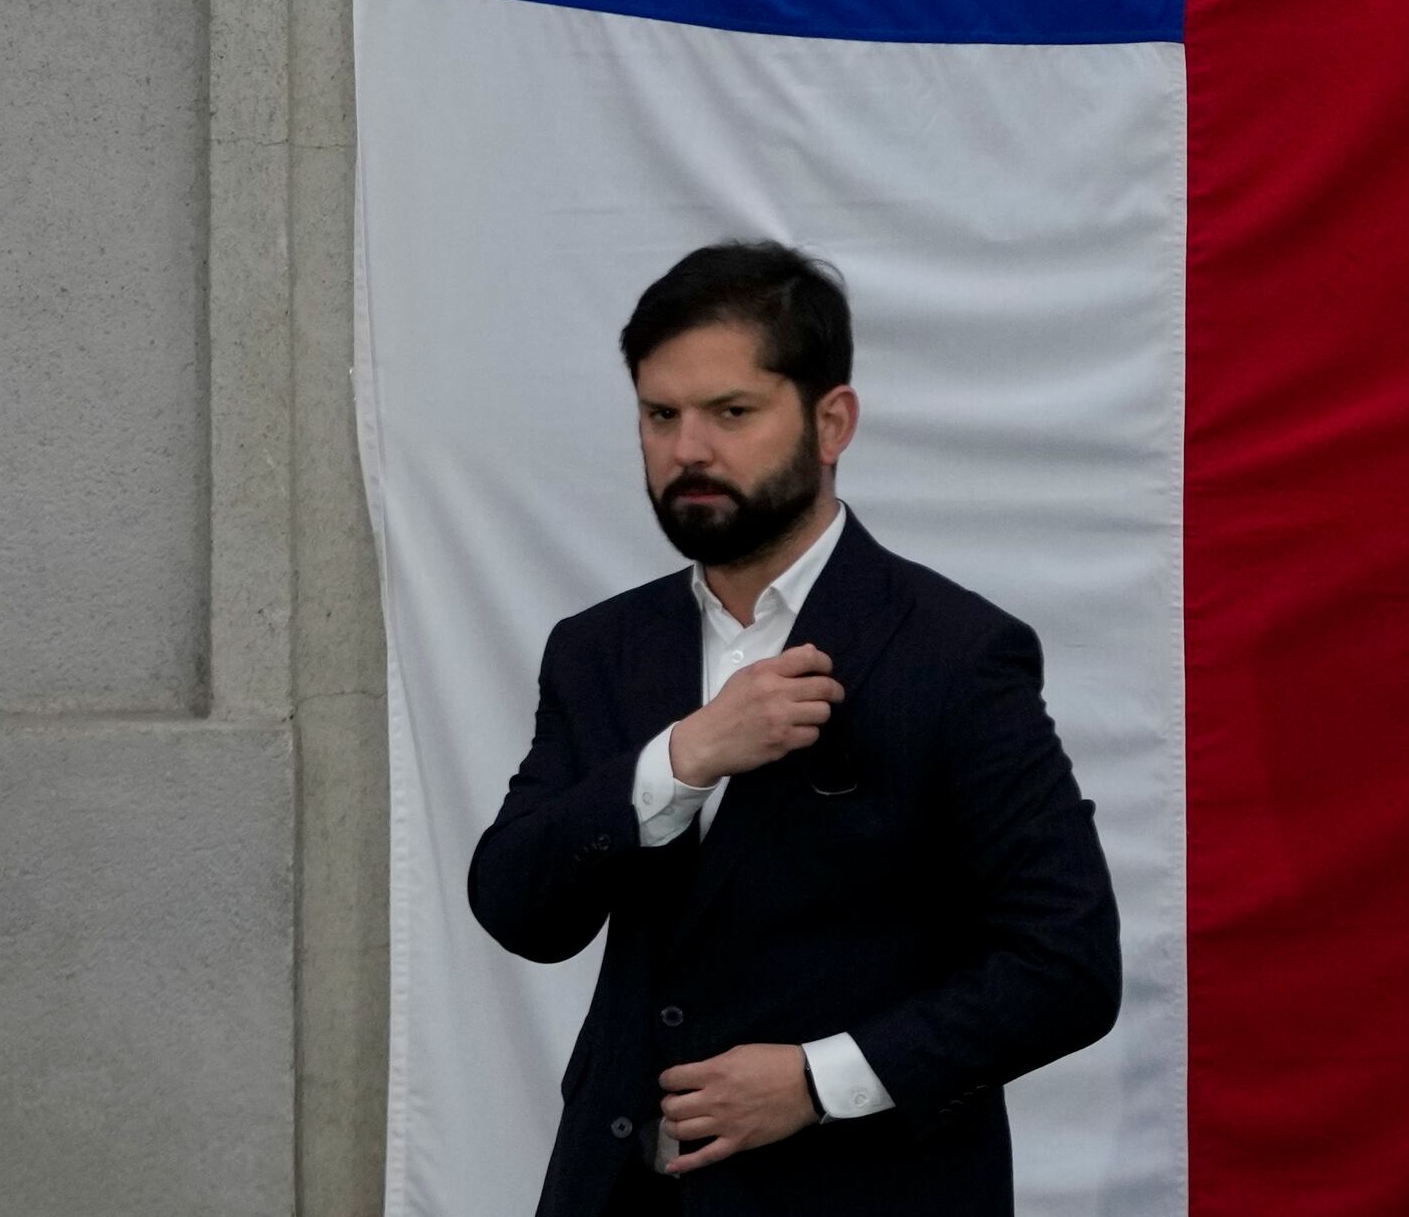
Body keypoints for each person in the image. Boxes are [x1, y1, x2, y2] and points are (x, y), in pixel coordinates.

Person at [470, 241, 1119, 1213]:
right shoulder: (597, 648)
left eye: (730, 412)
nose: (687, 448)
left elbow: (1065, 967)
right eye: (660, 414)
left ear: (831, 421)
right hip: (617, 1193)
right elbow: (517, 903)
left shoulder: (957, 653)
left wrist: (821, 1080)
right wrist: (677, 760)